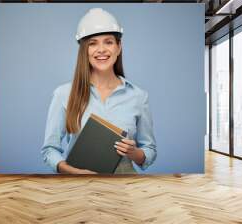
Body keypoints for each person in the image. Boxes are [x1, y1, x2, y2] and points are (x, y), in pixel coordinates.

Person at [41, 8, 156, 174]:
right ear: (84, 51)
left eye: (108, 42)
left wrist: (135, 153)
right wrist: (70, 171)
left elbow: (149, 150)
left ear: (119, 47)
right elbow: (49, 150)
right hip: (79, 187)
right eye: (93, 43)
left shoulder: (138, 96)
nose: (101, 49)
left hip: (124, 187)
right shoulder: (63, 94)